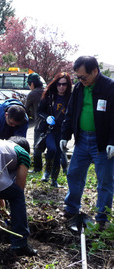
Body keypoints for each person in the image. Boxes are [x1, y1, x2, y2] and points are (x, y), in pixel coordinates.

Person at [60, 56, 114, 229]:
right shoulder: (78, 88)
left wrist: (112, 141)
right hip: (82, 139)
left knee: (105, 181)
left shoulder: (110, 87)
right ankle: (71, 208)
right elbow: (71, 113)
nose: (81, 81)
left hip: (103, 143)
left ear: (95, 71)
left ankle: (102, 217)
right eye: (78, 77)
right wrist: (65, 135)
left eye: (84, 77)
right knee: (74, 173)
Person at [37, 72, 72, 187]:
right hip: (50, 130)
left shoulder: (70, 98)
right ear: (55, 84)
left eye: (64, 84)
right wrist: (47, 117)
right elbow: (39, 111)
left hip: (62, 131)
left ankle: (54, 180)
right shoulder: (49, 96)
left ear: (68, 85)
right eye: (59, 84)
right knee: (51, 149)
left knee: (58, 154)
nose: (61, 87)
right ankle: (47, 171)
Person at [25, 73, 44, 173]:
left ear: (32, 83)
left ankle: (37, 168)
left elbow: (25, 109)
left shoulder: (32, 94)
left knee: (37, 147)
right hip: (50, 123)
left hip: (39, 123)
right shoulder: (46, 91)